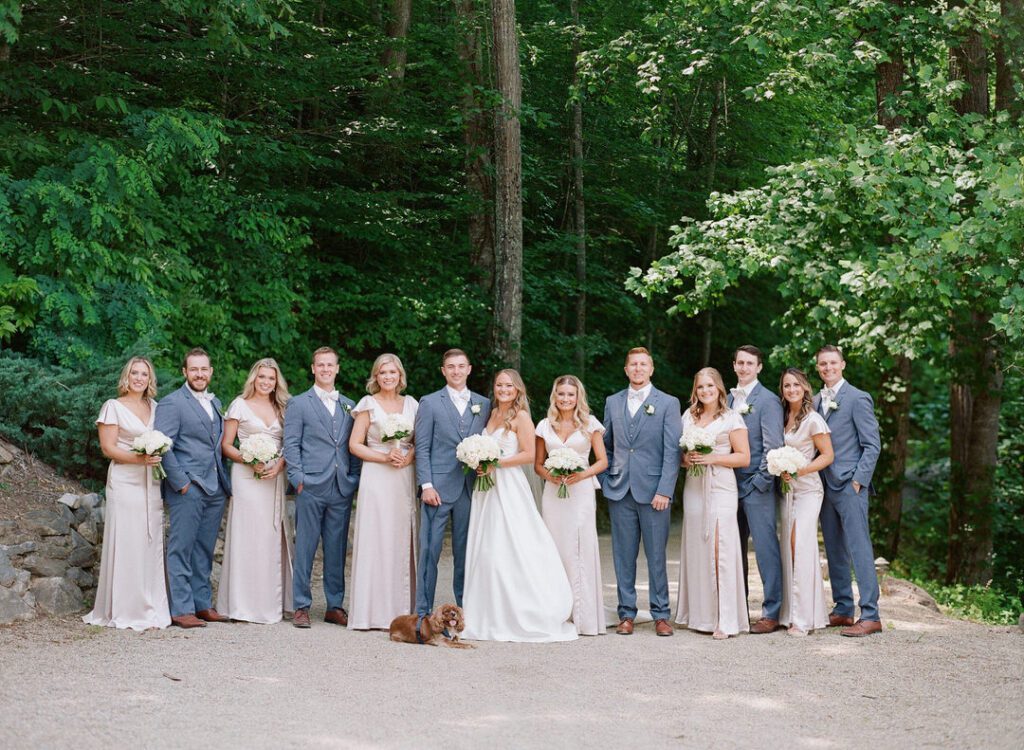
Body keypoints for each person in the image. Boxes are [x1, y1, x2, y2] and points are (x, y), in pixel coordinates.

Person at [462, 370, 577, 642]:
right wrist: (478, 462)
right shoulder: (490, 414)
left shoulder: (521, 416)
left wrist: (494, 463)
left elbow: (528, 455)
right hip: (486, 490)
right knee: (486, 547)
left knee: (510, 544)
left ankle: (522, 610)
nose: (503, 389)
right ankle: (486, 612)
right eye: (499, 385)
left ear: (518, 390)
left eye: (509, 386)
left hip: (509, 487)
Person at [84, 357, 171, 630]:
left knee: (150, 539)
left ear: (150, 379)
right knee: (127, 539)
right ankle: (124, 608)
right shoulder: (113, 407)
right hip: (125, 479)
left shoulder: (156, 407)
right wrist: (139, 460)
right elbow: (108, 448)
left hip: (151, 480)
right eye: (134, 373)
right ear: (127, 376)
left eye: (144, 374)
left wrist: (153, 459)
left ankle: (151, 606)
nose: (139, 378)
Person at [601, 347, 681, 637]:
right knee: (623, 555)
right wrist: (606, 477)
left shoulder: (668, 403)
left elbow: (672, 451)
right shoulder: (612, 402)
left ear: (651, 368)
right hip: (620, 489)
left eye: (643, 364)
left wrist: (665, 490)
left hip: (654, 492)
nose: (637, 368)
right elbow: (605, 445)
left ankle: (661, 614)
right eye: (633, 364)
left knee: (656, 555)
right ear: (626, 369)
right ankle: (626, 614)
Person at [283, 347, 361, 629]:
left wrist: (353, 478)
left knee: (337, 548)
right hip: (311, 485)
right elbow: (291, 443)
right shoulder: (299, 403)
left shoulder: (350, 405)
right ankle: (301, 605)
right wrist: (298, 478)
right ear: (313, 369)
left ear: (337, 369)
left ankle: (334, 605)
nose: (326, 369)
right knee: (305, 546)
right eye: (321, 365)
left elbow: (354, 445)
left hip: (341, 487)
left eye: (330, 365)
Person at [155, 347, 232, 628]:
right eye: (194, 369)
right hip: (188, 488)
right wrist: (182, 484)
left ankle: (202, 604)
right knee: (182, 547)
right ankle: (181, 608)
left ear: (210, 372)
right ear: (184, 372)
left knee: (204, 549)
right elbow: (164, 446)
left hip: (215, 487)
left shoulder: (215, 402)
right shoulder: (172, 403)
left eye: (204, 369)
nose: (200, 374)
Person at [413, 349, 490, 616]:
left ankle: (464, 610)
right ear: (443, 371)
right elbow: (422, 447)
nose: (456, 371)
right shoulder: (430, 402)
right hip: (438, 489)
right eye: (450, 367)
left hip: (471, 489)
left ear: (469, 369)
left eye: (461, 366)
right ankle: (423, 611)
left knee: (466, 553)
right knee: (429, 552)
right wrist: (426, 485)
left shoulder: (483, 404)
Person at [675, 367, 751, 639]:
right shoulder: (688, 416)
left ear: (719, 388)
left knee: (721, 548)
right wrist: (689, 459)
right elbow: (681, 457)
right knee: (698, 547)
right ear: (695, 390)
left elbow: (744, 458)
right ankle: (701, 616)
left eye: (709, 386)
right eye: (700, 387)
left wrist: (712, 458)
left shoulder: (732, 418)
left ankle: (725, 619)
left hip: (721, 486)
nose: (705, 391)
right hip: (694, 488)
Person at [216, 358, 293, 624]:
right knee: (246, 535)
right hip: (246, 476)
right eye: (262, 377)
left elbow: (290, 444)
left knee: (270, 535)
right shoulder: (239, 404)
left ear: (276, 381)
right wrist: (249, 459)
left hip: (274, 476)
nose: (266, 382)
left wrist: (280, 465)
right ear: (254, 378)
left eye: (271, 378)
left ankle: (270, 602)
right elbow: (226, 444)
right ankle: (240, 604)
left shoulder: (283, 407)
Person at [814, 345, 883, 637]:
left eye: (832, 362)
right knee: (834, 549)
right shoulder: (815, 401)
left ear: (842, 364)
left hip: (850, 485)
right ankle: (843, 609)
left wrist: (858, 480)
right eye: (822, 364)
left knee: (859, 548)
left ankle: (871, 614)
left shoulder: (857, 398)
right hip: (824, 485)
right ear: (817, 368)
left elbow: (872, 445)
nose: (828, 367)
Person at [347, 353, 419, 630]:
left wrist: (407, 457)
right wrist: (384, 457)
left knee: (400, 537)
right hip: (377, 475)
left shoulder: (412, 404)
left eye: (392, 372)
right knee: (375, 536)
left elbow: (418, 442)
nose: (388, 377)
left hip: (402, 475)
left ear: (400, 376)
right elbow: (355, 444)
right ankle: (369, 613)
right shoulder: (367, 404)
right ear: (375, 376)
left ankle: (401, 611)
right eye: (382, 373)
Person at [534, 375, 608, 636]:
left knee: (580, 547)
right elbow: (538, 464)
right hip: (554, 494)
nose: (566, 399)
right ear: (555, 396)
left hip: (581, 491)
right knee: (554, 547)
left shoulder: (590, 424)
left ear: (578, 397)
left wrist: (581, 475)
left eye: (570, 394)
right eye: (561, 394)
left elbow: (602, 461)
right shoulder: (544, 425)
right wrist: (551, 476)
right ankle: (557, 611)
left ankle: (584, 616)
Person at [728, 345, 785, 633]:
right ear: (734, 365)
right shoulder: (726, 398)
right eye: (740, 363)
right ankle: (737, 609)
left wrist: (760, 482)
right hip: (727, 486)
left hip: (756, 486)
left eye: (750, 363)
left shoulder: (769, 401)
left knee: (765, 550)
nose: (744, 368)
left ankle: (771, 612)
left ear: (759, 367)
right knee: (732, 550)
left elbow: (773, 446)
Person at [778, 368, 834, 636]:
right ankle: (792, 612)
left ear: (805, 388)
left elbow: (827, 456)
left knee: (800, 545)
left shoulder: (813, 420)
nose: (791, 390)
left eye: (796, 385)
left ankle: (803, 619)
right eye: (787, 385)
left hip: (809, 490)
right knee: (789, 548)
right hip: (788, 490)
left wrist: (801, 470)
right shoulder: (783, 416)